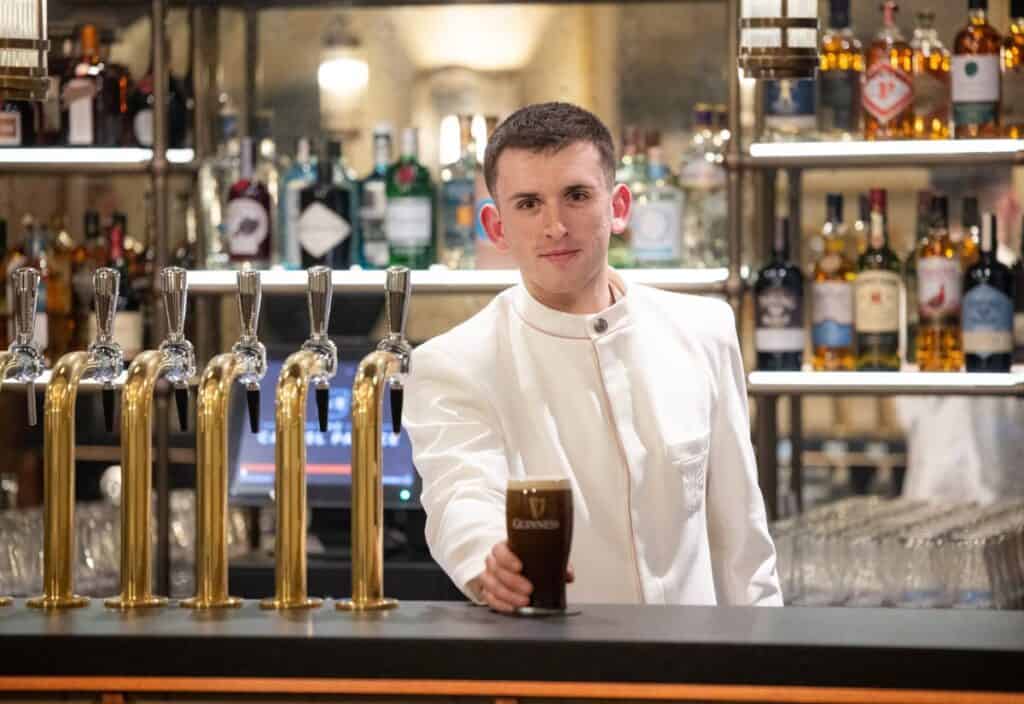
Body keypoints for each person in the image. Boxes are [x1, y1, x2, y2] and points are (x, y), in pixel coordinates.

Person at [404, 102, 781, 612]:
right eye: (529, 204)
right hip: (555, 678)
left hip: (697, 677)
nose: (555, 225)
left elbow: (743, 545)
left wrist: (765, 674)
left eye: (577, 196)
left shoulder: (704, 331)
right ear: (494, 227)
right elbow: (460, 495)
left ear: (619, 206)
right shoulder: (454, 363)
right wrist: (489, 559)